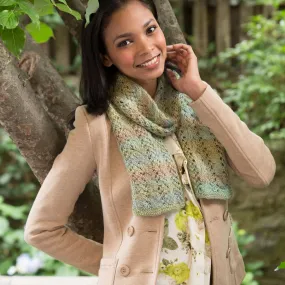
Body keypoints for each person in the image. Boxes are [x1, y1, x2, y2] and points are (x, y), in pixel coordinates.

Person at [23, 0, 276, 285]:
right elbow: (41, 229)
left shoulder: (196, 105)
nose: (146, 47)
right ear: (106, 57)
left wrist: (197, 90)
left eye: (150, 30)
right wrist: (119, 266)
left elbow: (261, 172)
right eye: (125, 42)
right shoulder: (98, 125)